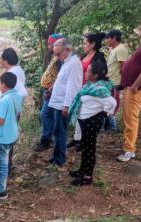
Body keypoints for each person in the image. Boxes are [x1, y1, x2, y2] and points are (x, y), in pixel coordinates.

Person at [68, 61, 116, 186]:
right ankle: (82, 170)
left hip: (91, 122)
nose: (85, 72)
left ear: (95, 75)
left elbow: (112, 103)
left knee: (89, 149)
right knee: (85, 148)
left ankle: (88, 177)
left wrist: (105, 113)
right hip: (85, 121)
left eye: (88, 71)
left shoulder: (100, 89)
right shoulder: (90, 86)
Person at [0, 72, 22, 200]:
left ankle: (1, 190)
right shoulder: (16, 96)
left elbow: (0, 121)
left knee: (2, 163)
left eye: (0, 83)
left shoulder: (5, 99)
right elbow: (17, 114)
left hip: (3, 136)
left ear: (4, 84)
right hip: (11, 133)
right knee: (0, 160)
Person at [68, 33, 107, 150]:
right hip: (80, 89)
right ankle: (77, 139)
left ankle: (83, 141)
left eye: (85, 43)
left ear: (93, 44)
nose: (83, 45)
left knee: (85, 116)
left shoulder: (98, 57)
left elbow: (102, 74)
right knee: (79, 114)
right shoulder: (83, 56)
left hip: (90, 91)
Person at [48, 38, 83, 167]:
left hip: (63, 104)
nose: (56, 56)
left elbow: (72, 86)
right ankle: (56, 156)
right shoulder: (66, 62)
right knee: (57, 130)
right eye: (55, 54)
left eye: (58, 53)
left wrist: (66, 105)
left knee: (60, 131)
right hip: (58, 102)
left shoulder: (73, 63)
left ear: (67, 50)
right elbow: (62, 81)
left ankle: (59, 159)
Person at [117, 21, 141, 162]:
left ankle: (129, 150)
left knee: (131, 119)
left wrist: (134, 85)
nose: (140, 28)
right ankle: (128, 145)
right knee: (128, 117)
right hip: (131, 88)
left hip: (136, 89)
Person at [34, 34, 64, 152]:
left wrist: (50, 90)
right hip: (48, 90)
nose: (48, 46)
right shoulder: (55, 57)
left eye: (50, 44)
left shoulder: (60, 60)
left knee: (45, 114)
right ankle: (48, 138)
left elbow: (59, 78)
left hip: (51, 91)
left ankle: (46, 140)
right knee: (48, 115)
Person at [105, 29, 129, 132]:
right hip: (110, 81)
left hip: (116, 82)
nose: (106, 40)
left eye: (108, 38)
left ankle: (113, 127)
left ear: (114, 38)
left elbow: (123, 67)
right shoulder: (113, 49)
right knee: (108, 103)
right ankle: (108, 126)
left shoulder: (120, 49)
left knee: (113, 103)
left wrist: (122, 83)